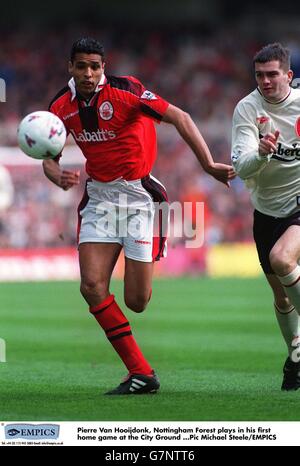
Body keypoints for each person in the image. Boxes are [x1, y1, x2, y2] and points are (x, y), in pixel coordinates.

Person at [43, 37, 235, 395]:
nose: (88, 73)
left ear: (104, 68)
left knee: (137, 302)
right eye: (81, 66)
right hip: (99, 199)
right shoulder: (59, 106)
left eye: (95, 66)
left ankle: (141, 354)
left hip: (141, 197)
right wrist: (56, 175)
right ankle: (141, 373)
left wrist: (208, 165)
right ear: (70, 67)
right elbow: (49, 156)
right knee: (91, 287)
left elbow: (180, 117)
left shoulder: (126, 91)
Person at [231, 42, 300, 391]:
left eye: (272, 74)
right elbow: (239, 166)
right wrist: (260, 153)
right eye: (259, 75)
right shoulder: (247, 109)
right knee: (282, 297)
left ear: (289, 75)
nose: (266, 81)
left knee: (282, 259)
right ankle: (295, 358)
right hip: (267, 210)